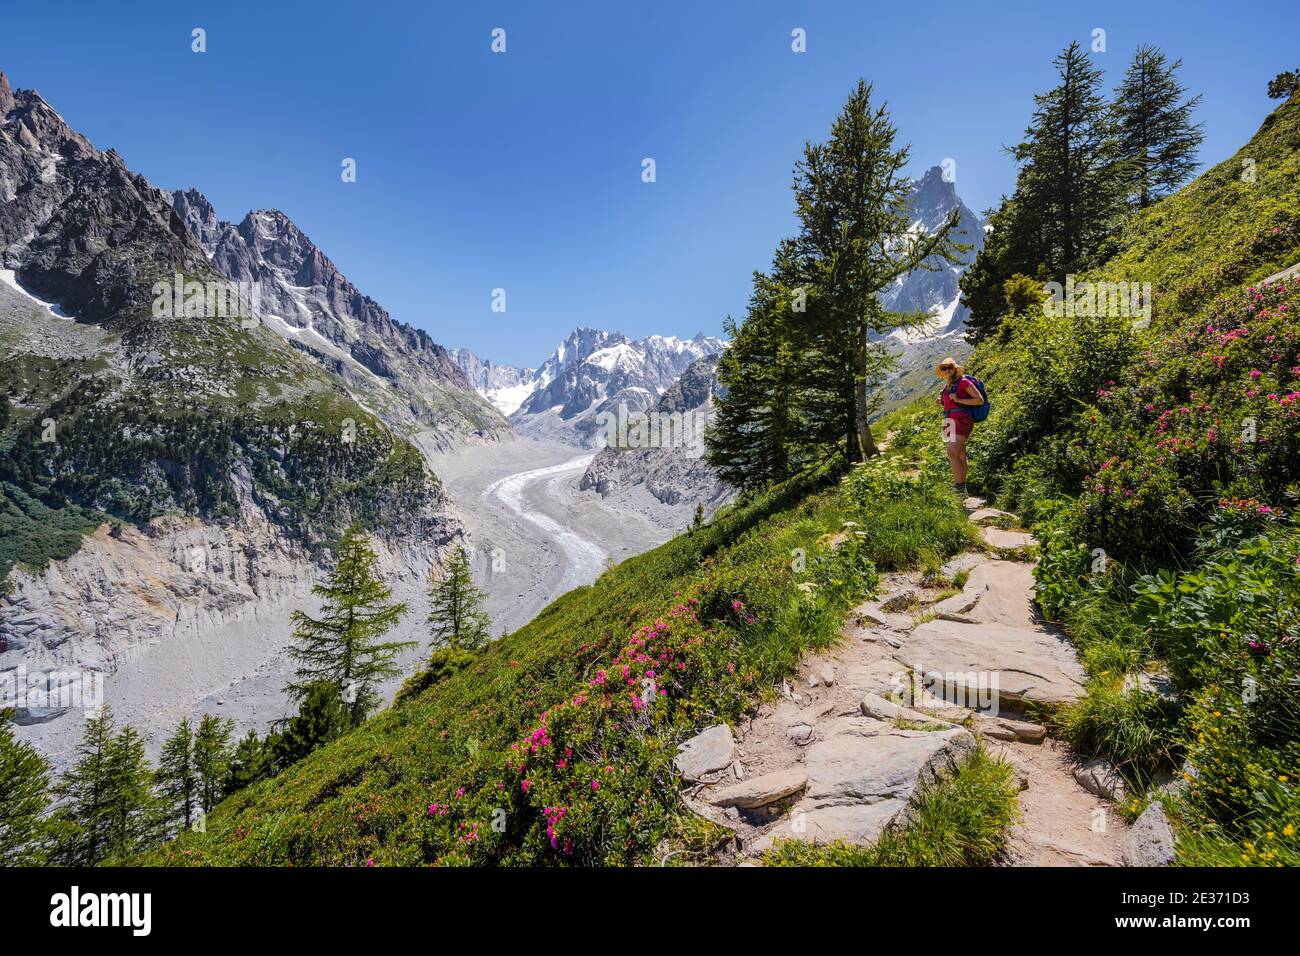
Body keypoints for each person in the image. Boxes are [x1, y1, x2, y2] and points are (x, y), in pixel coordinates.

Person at [936, 357, 982, 494]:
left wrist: (959, 399)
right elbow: (950, 403)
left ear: (955, 368)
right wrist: (941, 401)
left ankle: (959, 489)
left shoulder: (964, 382)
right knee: (960, 454)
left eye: (950, 367)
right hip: (949, 420)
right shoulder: (947, 385)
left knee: (952, 453)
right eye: (944, 368)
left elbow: (979, 400)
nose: (947, 370)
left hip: (961, 420)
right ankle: (963, 487)